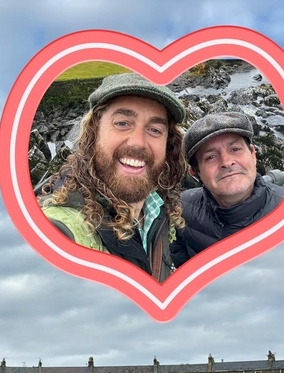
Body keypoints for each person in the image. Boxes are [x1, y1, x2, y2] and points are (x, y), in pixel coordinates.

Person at [40, 72, 187, 281]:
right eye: (122, 123)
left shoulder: (161, 210)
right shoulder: (58, 231)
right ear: (94, 131)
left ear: (169, 144)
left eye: (155, 130)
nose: (138, 142)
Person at [173, 111, 284, 267]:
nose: (226, 162)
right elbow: (179, 250)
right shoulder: (183, 208)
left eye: (235, 149)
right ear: (195, 173)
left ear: (253, 154)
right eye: (211, 157)